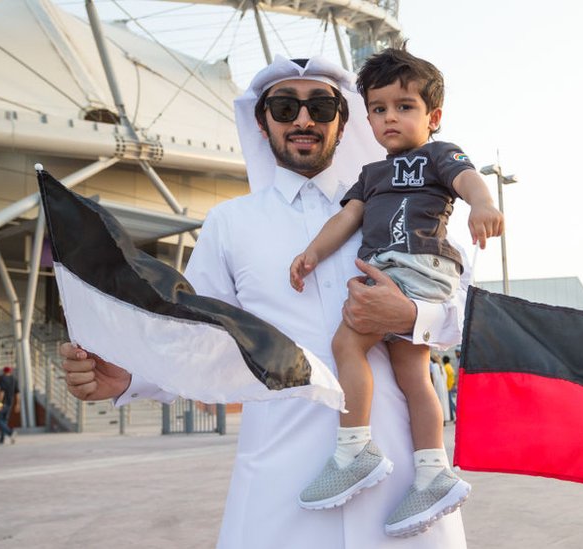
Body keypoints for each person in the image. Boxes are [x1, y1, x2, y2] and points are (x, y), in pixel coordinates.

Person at [59, 55, 468, 548]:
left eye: (320, 106)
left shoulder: (404, 201)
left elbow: (465, 317)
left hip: (404, 489)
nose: (302, 120)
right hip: (282, 488)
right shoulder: (231, 224)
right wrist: (128, 376)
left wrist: (413, 317)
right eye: (284, 106)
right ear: (261, 120)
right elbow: (193, 335)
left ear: (344, 120)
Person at [289, 47, 502, 535]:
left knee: (347, 343)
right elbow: (347, 218)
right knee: (414, 375)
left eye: (405, 106)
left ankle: (353, 451)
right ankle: (432, 470)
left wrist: (483, 203)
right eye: (379, 108)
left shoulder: (438, 154)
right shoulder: (373, 174)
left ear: (434, 117)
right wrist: (313, 253)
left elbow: (467, 178)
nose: (390, 117)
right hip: (413, 272)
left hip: (413, 264)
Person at [0, 366, 18, 445]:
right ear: (10, 371)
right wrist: (17, 404)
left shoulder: (2, 379)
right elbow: (17, 392)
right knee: (4, 421)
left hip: (3, 403)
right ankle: (2, 440)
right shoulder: (14, 379)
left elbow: (2, 392)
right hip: (10, 403)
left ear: (4, 372)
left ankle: (10, 433)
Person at [442, 356, 457, 422]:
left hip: (448, 386)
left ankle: (457, 412)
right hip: (451, 385)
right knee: (450, 401)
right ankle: (451, 416)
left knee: (450, 402)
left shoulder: (445, 367)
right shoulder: (450, 367)